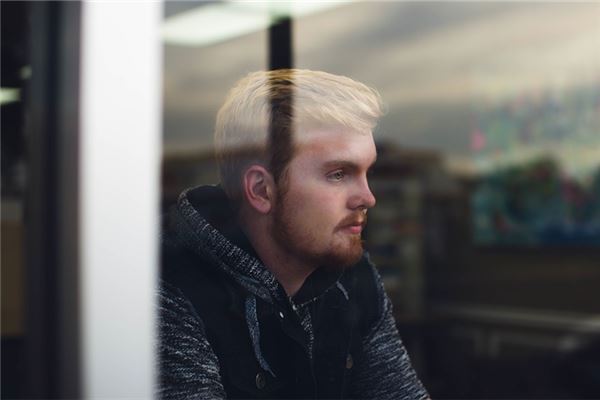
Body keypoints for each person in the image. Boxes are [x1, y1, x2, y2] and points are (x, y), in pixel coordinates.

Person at [158, 69, 429, 400]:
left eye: (367, 172)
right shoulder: (167, 288)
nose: (367, 197)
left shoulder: (351, 278)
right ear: (262, 190)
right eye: (339, 174)